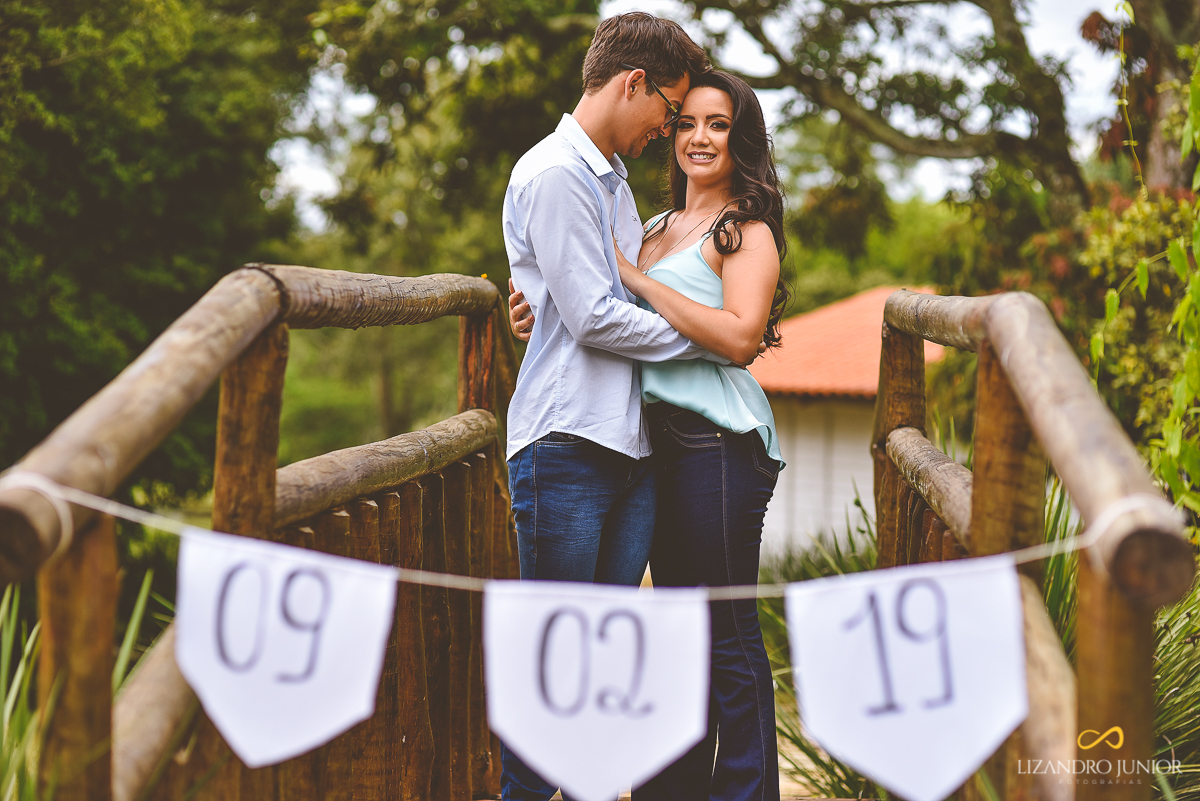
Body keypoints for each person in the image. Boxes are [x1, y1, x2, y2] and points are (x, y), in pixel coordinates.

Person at [510, 70, 789, 801]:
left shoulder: (744, 230)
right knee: (673, 634)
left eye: (718, 125)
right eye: (687, 122)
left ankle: (748, 792)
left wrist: (639, 280)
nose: (698, 137)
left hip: (717, 439)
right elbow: (592, 303)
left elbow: (741, 337)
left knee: (724, 628)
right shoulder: (654, 225)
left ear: (741, 139)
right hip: (646, 439)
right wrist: (536, 307)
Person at [500, 12, 714, 801]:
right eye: (670, 108)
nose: (670, 128)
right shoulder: (557, 173)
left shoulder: (611, 181)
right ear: (634, 82)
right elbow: (592, 316)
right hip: (567, 443)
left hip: (628, 445)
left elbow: (590, 296)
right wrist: (708, 339)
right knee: (556, 665)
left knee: (597, 666)